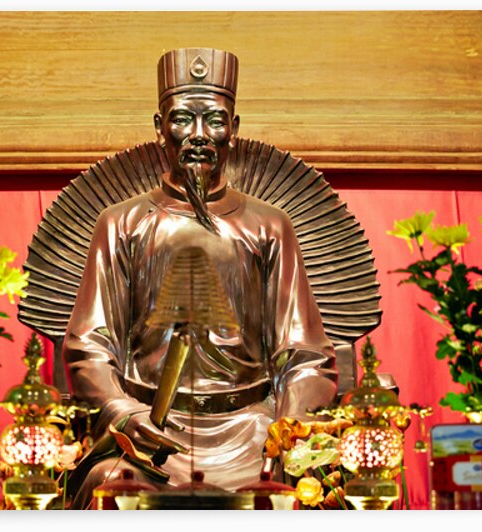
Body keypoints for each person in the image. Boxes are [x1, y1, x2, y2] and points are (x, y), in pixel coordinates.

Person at [63, 48, 337, 507]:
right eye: (182, 119)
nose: (198, 135)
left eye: (214, 120)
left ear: (234, 127)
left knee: (300, 493)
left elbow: (305, 355)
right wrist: (124, 412)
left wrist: (286, 430)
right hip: (150, 431)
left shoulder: (269, 227)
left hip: (251, 432)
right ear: (159, 127)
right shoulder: (121, 224)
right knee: (108, 485)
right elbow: (89, 346)